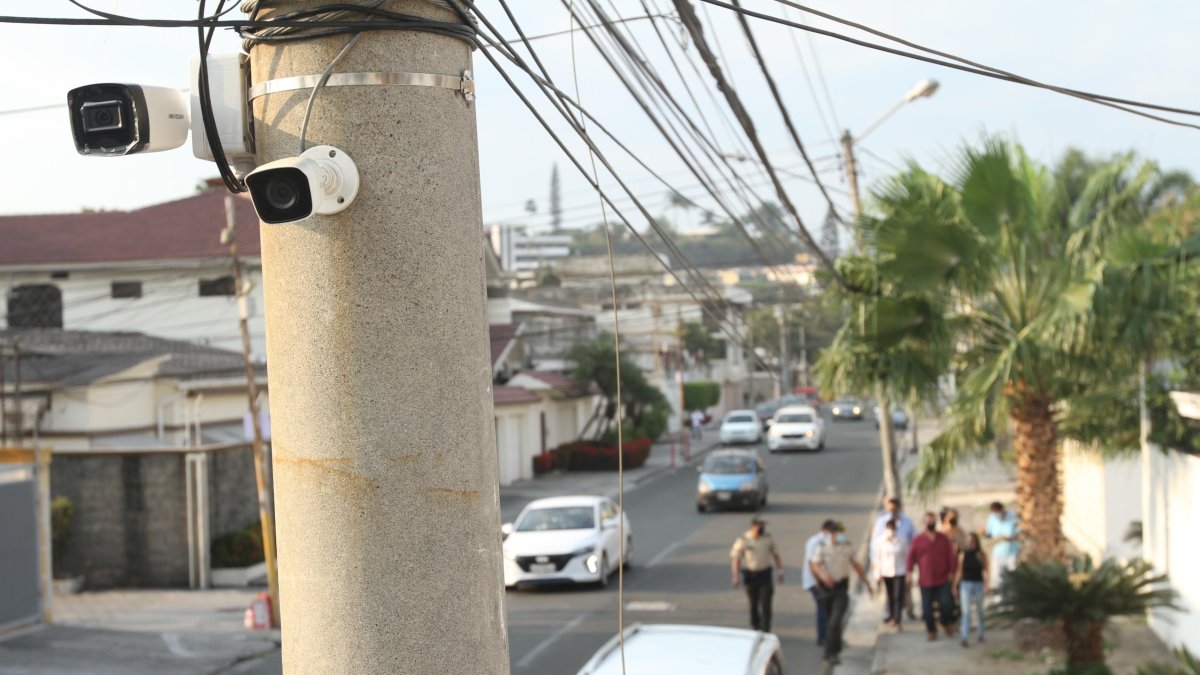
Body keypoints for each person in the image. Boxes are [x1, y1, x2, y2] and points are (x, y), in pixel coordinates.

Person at [811, 520, 873, 666]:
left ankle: (829, 653)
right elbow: (814, 564)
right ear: (831, 534)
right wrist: (823, 576)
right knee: (829, 620)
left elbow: (856, 565)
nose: (839, 535)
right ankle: (836, 646)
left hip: (841, 588)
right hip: (826, 589)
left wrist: (867, 583)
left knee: (835, 621)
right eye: (837, 533)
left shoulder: (847, 547)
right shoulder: (822, 547)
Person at [907, 512, 957, 641]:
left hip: (943, 578)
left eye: (932, 520)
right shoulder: (917, 540)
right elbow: (911, 558)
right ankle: (931, 631)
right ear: (924, 523)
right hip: (926, 580)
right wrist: (909, 573)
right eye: (927, 521)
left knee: (947, 604)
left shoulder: (943, 538)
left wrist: (953, 572)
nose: (930, 523)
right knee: (927, 608)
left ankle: (945, 622)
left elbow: (951, 556)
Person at [731, 515, 784, 632]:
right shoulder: (743, 539)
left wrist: (780, 571)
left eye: (763, 526)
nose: (761, 528)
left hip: (765, 574)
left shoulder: (768, 538)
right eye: (759, 526)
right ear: (753, 526)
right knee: (753, 603)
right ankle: (755, 626)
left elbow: (776, 555)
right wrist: (735, 577)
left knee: (766, 603)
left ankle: (766, 630)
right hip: (751, 575)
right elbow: (736, 558)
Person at [872, 497, 916, 620]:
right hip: (886, 565)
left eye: (894, 508)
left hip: (901, 564)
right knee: (890, 593)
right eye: (890, 508)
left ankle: (906, 611)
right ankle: (890, 614)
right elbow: (875, 544)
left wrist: (910, 565)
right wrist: (875, 562)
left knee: (902, 592)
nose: (892, 511)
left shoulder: (907, 522)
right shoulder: (881, 522)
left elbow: (913, 541)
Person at [871, 518, 909, 631]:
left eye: (892, 528)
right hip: (886, 572)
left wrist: (908, 572)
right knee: (890, 595)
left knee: (898, 596)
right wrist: (877, 574)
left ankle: (897, 619)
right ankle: (891, 615)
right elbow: (877, 558)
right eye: (889, 529)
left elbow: (906, 556)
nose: (891, 531)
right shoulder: (881, 541)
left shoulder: (901, 540)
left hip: (899, 571)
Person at [953, 533, 989, 647]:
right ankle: (964, 636)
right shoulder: (963, 555)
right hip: (966, 584)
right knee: (966, 611)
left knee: (979, 610)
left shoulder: (981, 555)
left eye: (972, 541)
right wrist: (955, 585)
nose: (970, 543)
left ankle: (981, 632)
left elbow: (986, 570)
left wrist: (987, 584)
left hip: (978, 583)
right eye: (968, 541)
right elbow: (959, 570)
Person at [981, 501, 1020, 591]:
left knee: (1012, 579)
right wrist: (984, 534)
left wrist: (1009, 538)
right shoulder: (992, 518)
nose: (997, 516)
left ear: (1002, 510)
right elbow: (989, 534)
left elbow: (1020, 533)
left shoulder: (1013, 517)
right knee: (997, 581)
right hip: (998, 553)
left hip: (1011, 553)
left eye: (998, 513)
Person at [802, 525, 829, 646]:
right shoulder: (815, 542)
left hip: (823, 580)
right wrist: (817, 579)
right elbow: (811, 562)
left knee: (826, 608)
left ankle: (827, 635)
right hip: (815, 581)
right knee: (822, 607)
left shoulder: (827, 541)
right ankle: (822, 637)